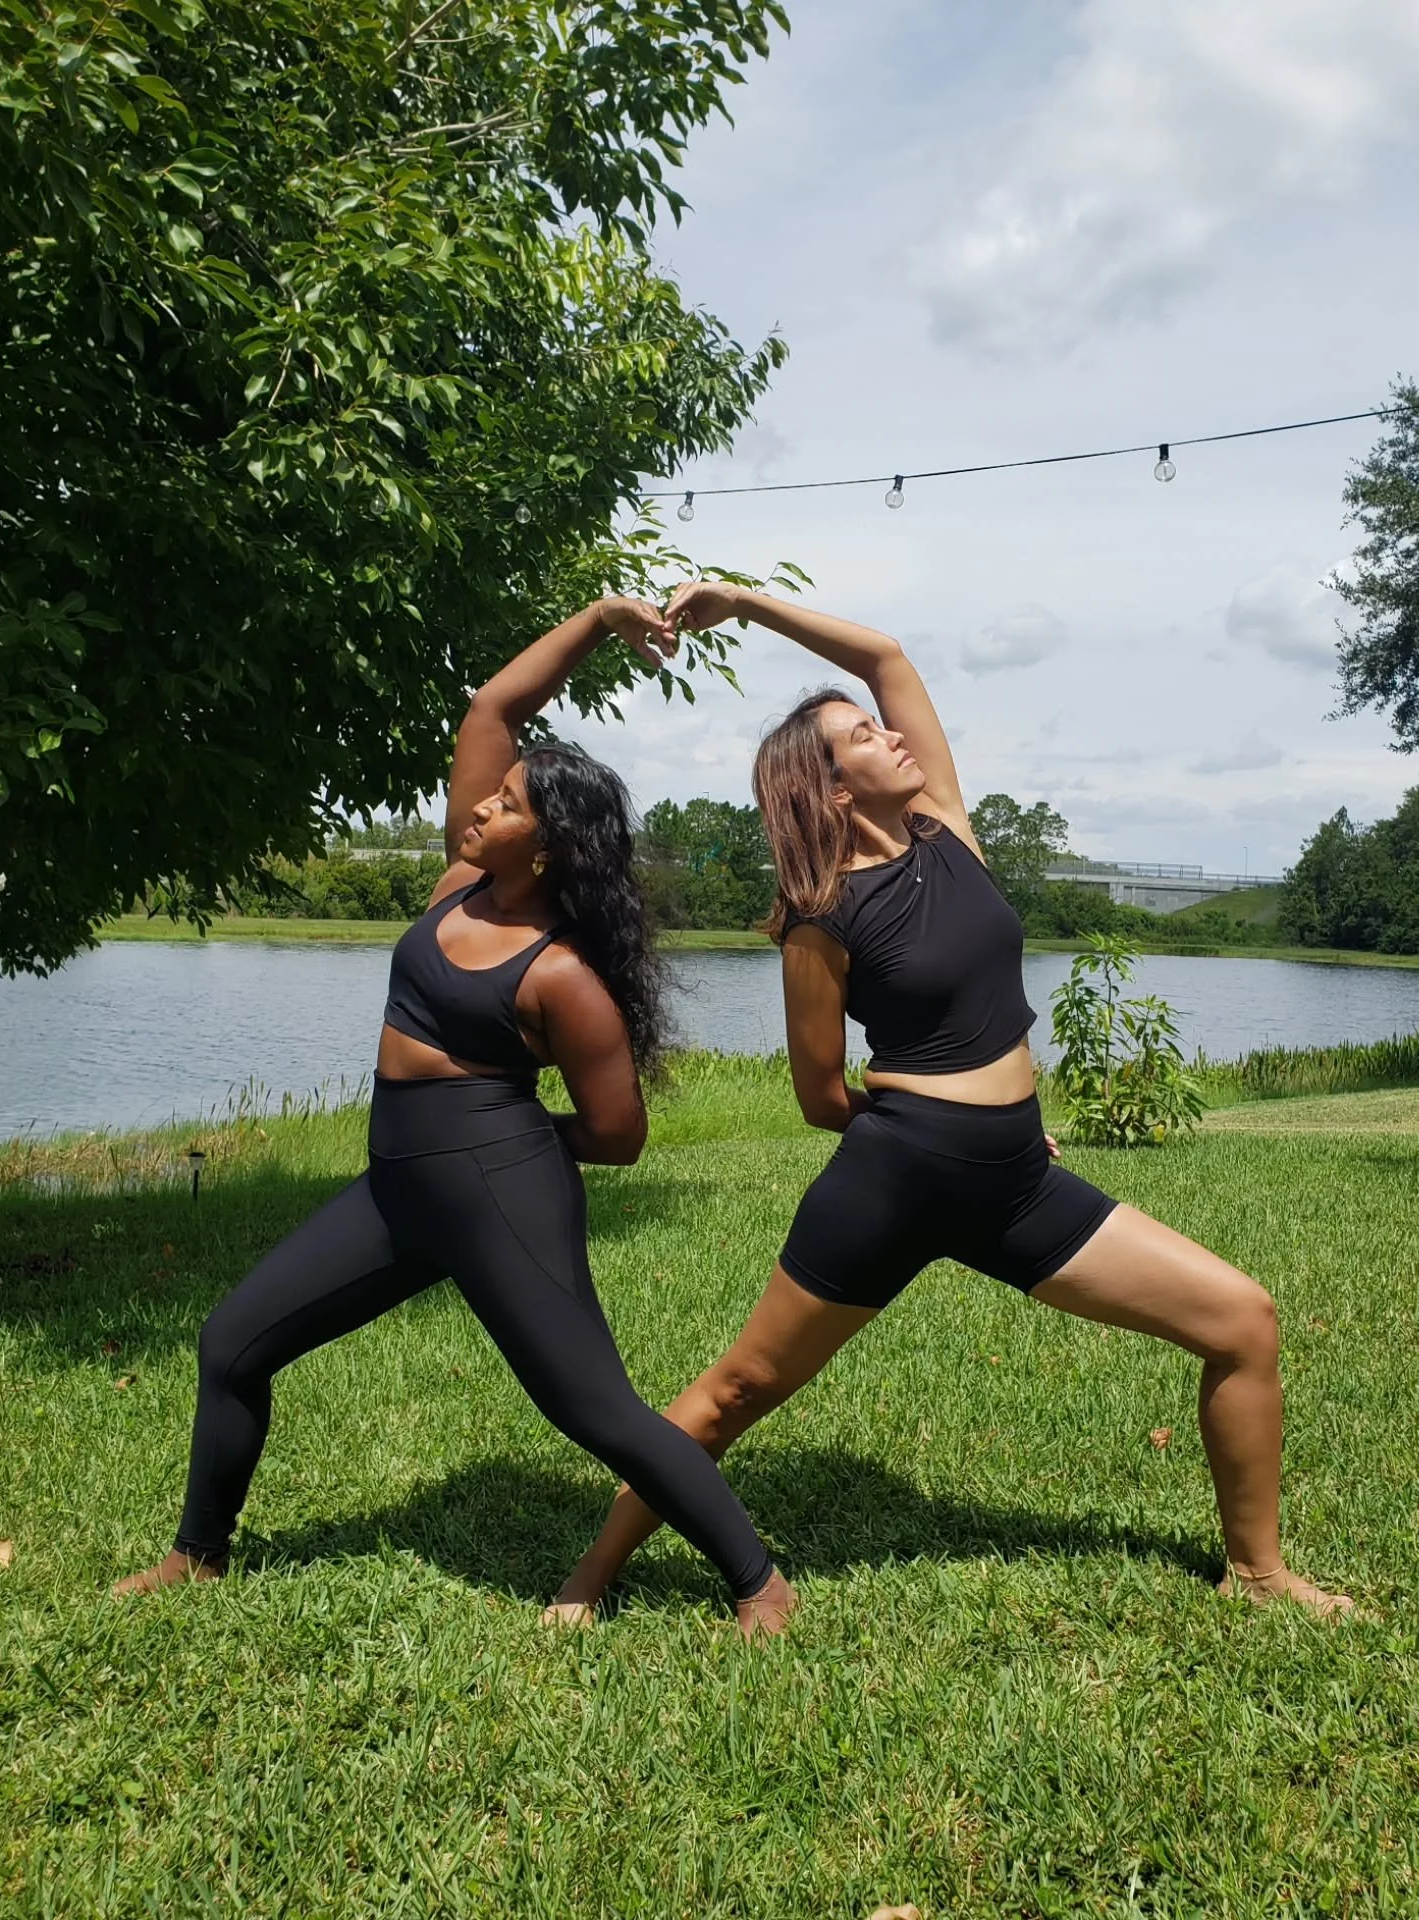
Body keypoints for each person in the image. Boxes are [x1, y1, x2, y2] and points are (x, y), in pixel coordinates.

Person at [547, 582, 1352, 1624]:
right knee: (737, 1390)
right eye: (861, 740)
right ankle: (591, 1576)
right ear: (833, 791)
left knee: (1242, 1320)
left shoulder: (947, 831)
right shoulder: (820, 918)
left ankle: (1259, 1574)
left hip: (1018, 1178)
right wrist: (916, 1118)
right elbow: (817, 1092)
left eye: (879, 728)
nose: (889, 735)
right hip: (897, 1180)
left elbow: (886, 656)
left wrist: (747, 605)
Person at [114, 593, 794, 1637]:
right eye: (495, 795)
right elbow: (493, 705)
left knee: (591, 1408)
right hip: (397, 1191)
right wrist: (603, 619)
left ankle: (758, 1580)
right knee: (234, 1343)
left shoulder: (563, 976)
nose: (482, 807)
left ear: (550, 850)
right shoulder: (457, 883)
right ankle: (197, 1559)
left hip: (492, 1191)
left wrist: (503, 1148)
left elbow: (618, 1135)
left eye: (509, 805)